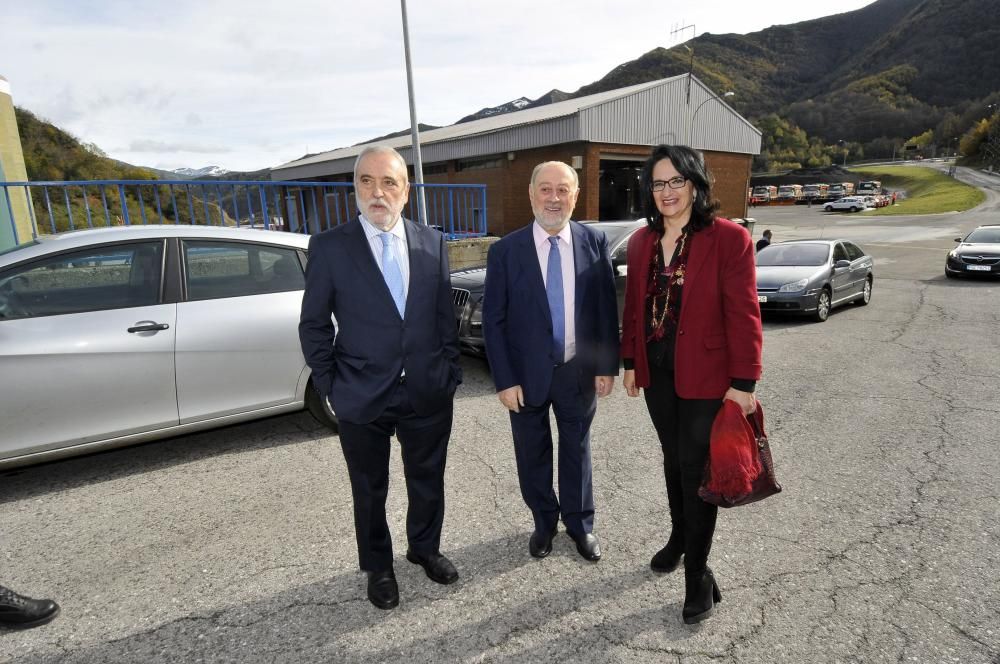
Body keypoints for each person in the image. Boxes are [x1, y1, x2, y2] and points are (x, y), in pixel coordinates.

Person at [298, 145, 462, 610]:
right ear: (355, 189)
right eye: (366, 181)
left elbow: (441, 318)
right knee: (369, 489)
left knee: (428, 478)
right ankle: (379, 567)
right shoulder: (330, 247)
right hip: (361, 394)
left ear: (405, 191)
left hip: (427, 390)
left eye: (389, 182)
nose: (378, 192)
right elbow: (313, 325)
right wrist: (332, 386)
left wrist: (449, 370)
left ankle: (425, 549)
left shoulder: (431, 242)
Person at [620, 145, 762, 624]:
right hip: (658, 375)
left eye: (677, 181)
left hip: (707, 377)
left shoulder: (728, 239)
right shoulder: (642, 242)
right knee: (672, 460)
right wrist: (629, 362)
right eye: (658, 183)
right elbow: (634, 309)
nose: (667, 192)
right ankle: (681, 539)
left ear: (697, 184)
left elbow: (744, 313)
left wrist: (744, 382)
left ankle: (697, 575)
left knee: (695, 466)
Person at [482, 161, 619, 563]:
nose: (554, 198)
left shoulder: (594, 241)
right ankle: (544, 522)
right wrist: (504, 380)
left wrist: (607, 365)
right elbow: (494, 320)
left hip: (578, 370)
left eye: (563, 189)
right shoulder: (506, 251)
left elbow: (605, 309)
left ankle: (580, 525)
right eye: (545, 189)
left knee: (577, 449)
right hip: (525, 377)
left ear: (575, 196)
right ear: (531, 194)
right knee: (532, 452)